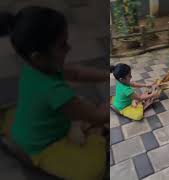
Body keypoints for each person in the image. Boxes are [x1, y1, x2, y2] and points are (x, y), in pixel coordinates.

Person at [0, 6, 107, 180]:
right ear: (38, 56)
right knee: (93, 171)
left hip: (28, 128)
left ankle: (15, 141)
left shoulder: (34, 67)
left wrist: (109, 75)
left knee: (78, 103)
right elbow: (99, 116)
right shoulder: (55, 92)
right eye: (62, 45)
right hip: (45, 146)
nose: (69, 48)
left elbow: (77, 73)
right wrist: (117, 98)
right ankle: (94, 135)